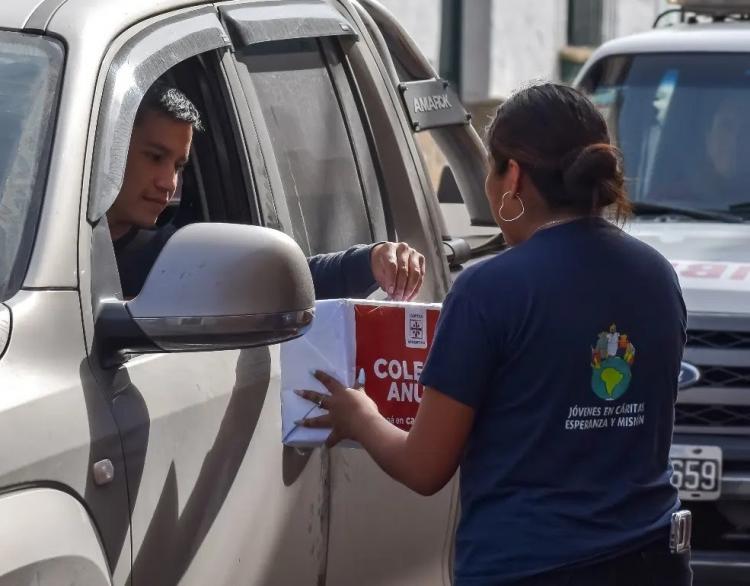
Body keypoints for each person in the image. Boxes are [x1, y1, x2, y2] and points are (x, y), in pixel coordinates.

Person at [296, 83, 691, 585]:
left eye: (490, 167)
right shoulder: (657, 276)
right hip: (653, 557)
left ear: (514, 177)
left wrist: (359, 415)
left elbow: (424, 467)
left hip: (530, 568)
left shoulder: (491, 289)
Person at [107, 82, 425, 300]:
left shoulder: (178, 258)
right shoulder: (60, 248)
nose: (169, 182)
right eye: (155, 157)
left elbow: (284, 280)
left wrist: (372, 260)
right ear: (110, 148)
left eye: (178, 166)